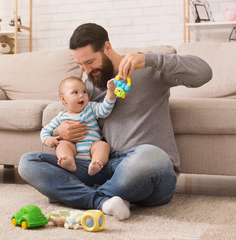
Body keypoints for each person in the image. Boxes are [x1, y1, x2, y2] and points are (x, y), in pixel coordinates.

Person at [18, 23, 212, 221]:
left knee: (150, 154)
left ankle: (79, 195)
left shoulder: (148, 70)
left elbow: (204, 73)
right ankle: (103, 202)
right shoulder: (89, 86)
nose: (86, 70)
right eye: (80, 65)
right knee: (29, 162)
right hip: (105, 166)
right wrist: (62, 131)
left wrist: (149, 59)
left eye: (90, 62)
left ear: (107, 48)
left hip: (149, 169)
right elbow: (67, 114)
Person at [41, 76, 116, 176]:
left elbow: (105, 110)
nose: (81, 95)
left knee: (103, 145)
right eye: (75, 92)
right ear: (63, 99)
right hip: (73, 151)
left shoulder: (90, 107)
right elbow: (45, 130)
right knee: (62, 144)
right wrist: (47, 139)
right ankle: (67, 160)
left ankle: (97, 163)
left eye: (84, 92)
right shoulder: (61, 117)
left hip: (92, 150)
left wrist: (111, 92)